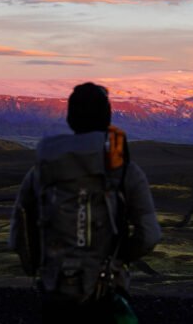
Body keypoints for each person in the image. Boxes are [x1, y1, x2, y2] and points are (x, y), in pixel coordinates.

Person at [9, 82, 161, 322]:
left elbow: (20, 230)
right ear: (108, 117)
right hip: (107, 293)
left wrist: (39, 268)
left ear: (70, 119)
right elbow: (150, 234)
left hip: (55, 290)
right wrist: (120, 259)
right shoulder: (125, 171)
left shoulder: (42, 170)